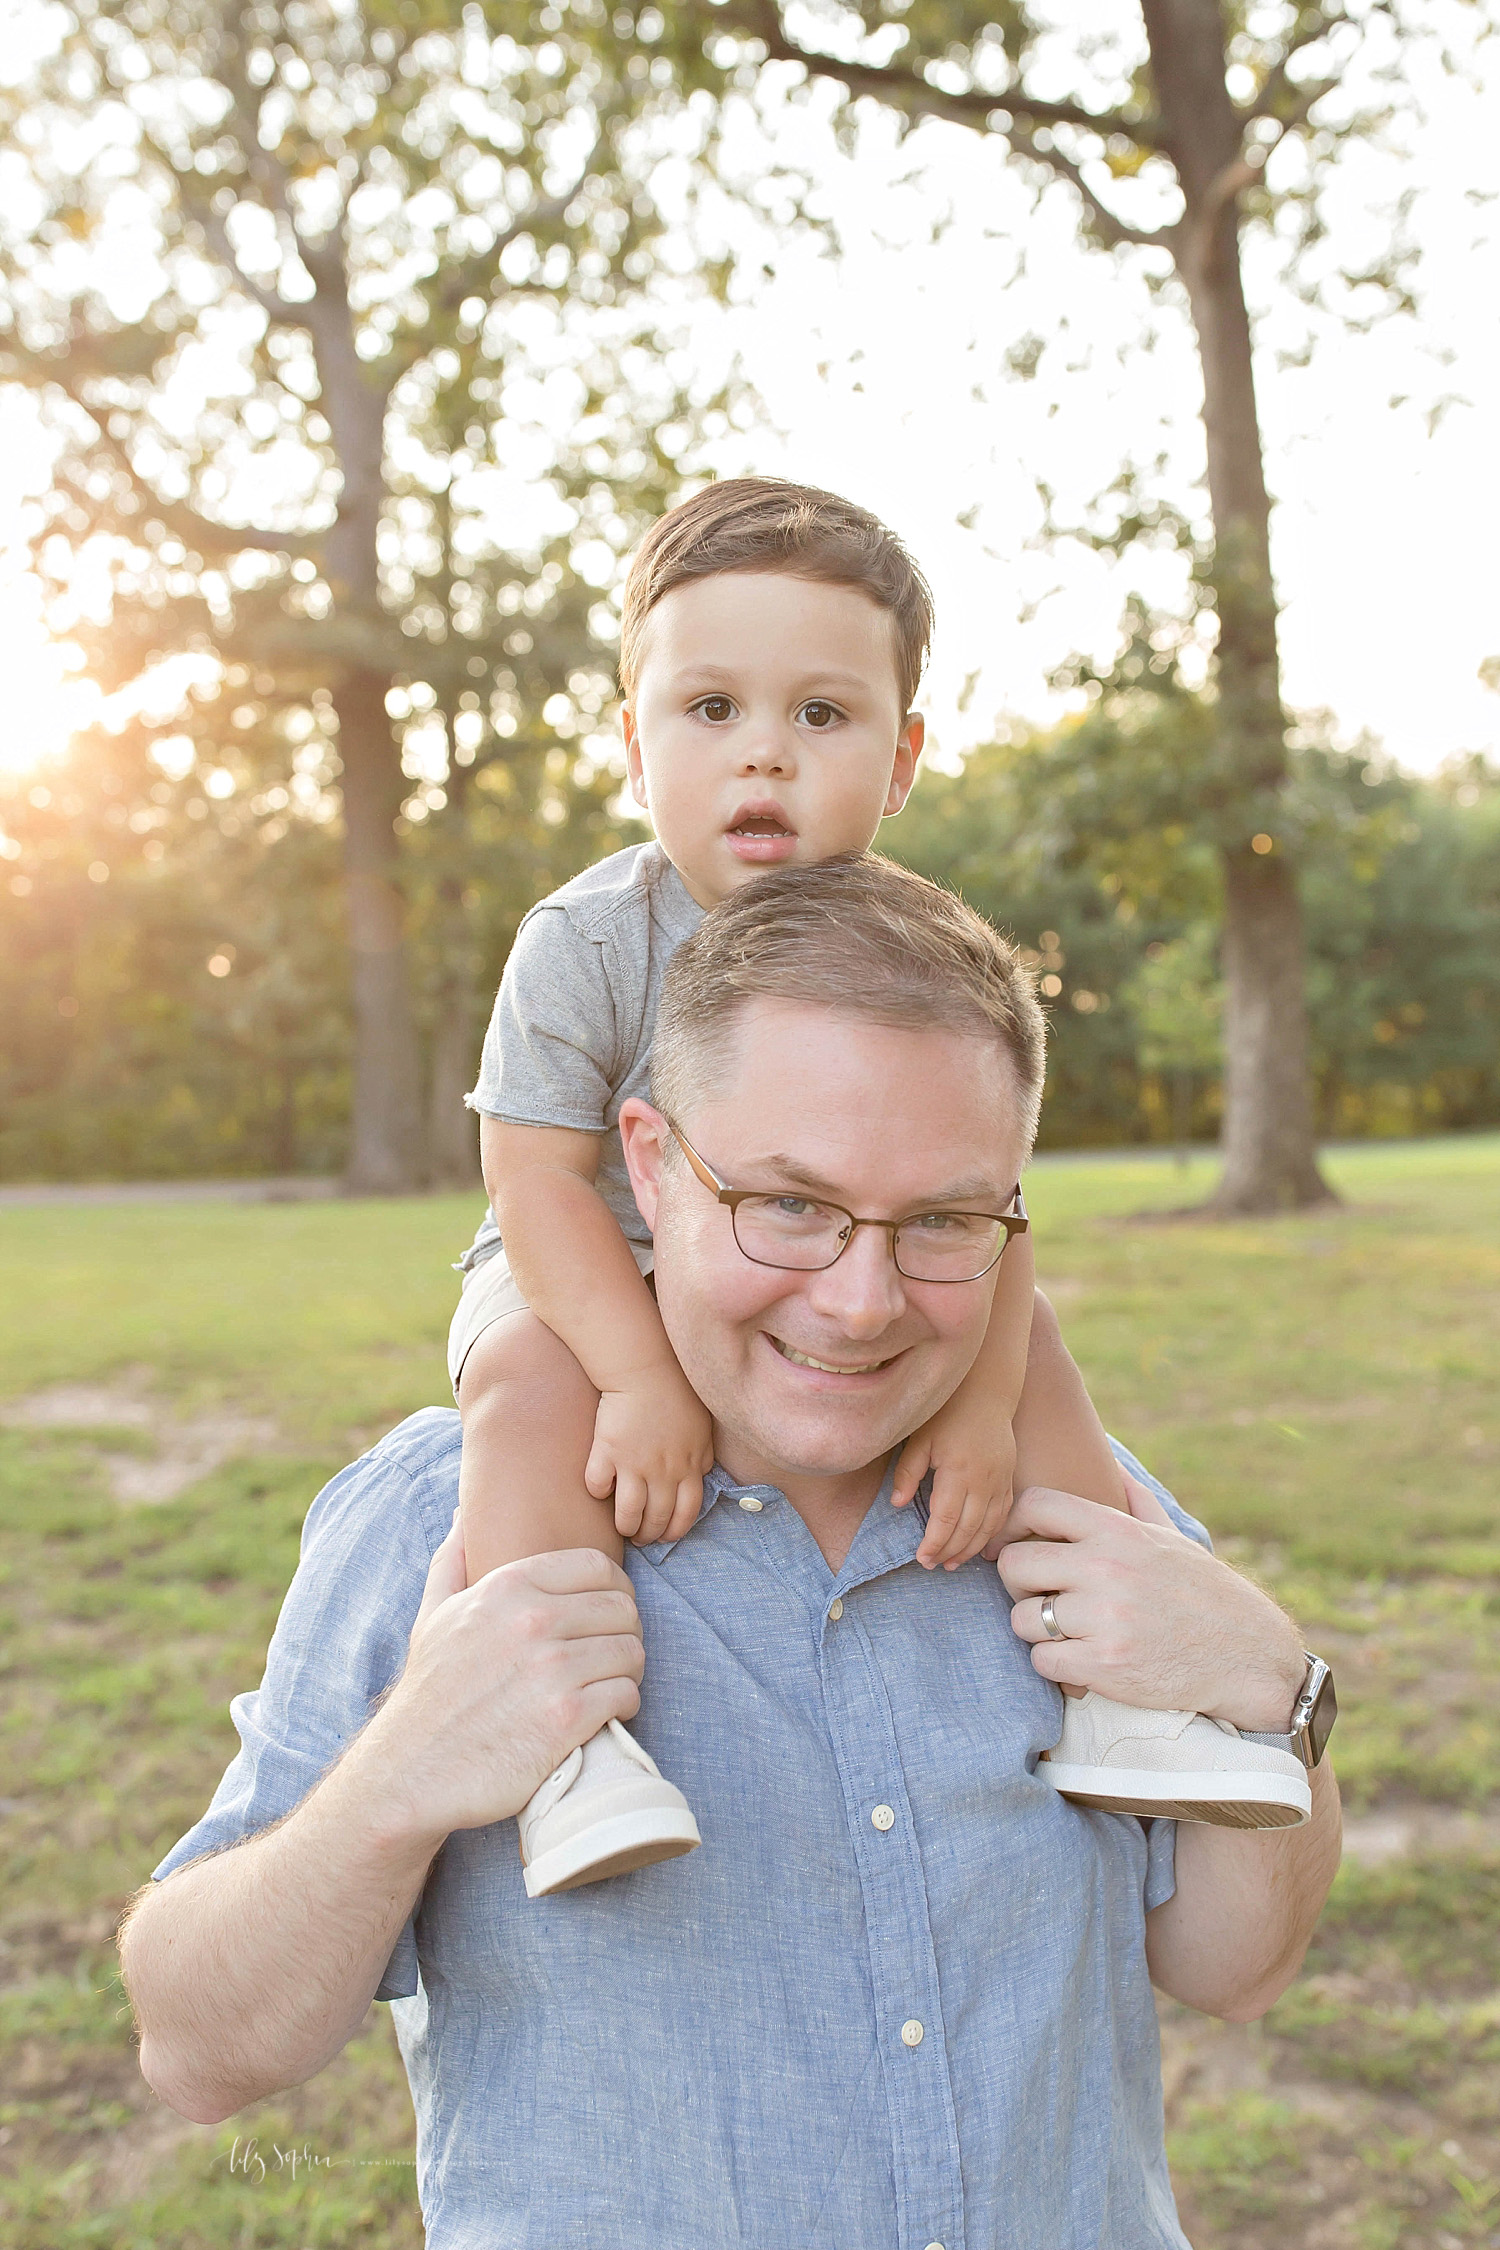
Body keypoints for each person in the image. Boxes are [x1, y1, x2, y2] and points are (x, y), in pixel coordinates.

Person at [120, 858, 1342, 2250]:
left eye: (943, 1220)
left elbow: (1239, 1966)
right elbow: (195, 2048)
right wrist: (398, 1779)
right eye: (791, 1204)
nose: (863, 1299)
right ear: (648, 1160)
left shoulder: (1083, 1518)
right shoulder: (444, 1523)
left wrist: (1283, 1693)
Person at [447, 477, 1311, 1894]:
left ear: (901, 759)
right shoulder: (587, 940)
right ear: (634, 738)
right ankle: (566, 1746)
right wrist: (638, 1374)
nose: (764, 761)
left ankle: (1135, 1694)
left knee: (1034, 1357)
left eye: (822, 716)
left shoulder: (921, 947)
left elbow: (988, 1196)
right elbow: (531, 1175)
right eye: (711, 710)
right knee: (518, 1394)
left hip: (860, 1243)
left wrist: (979, 1401)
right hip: (590, 1264)